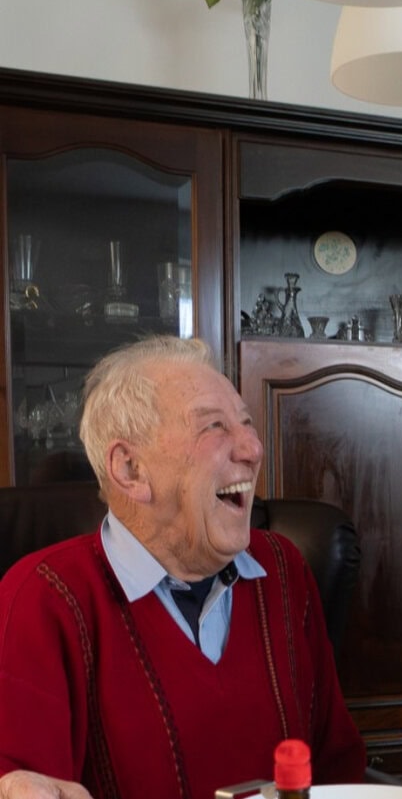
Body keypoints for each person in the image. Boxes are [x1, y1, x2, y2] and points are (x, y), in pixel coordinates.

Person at [0, 336, 366, 798]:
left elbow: (339, 770)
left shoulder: (283, 568)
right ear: (130, 469)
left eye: (247, 423)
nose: (252, 447)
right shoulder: (42, 599)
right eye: (214, 427)